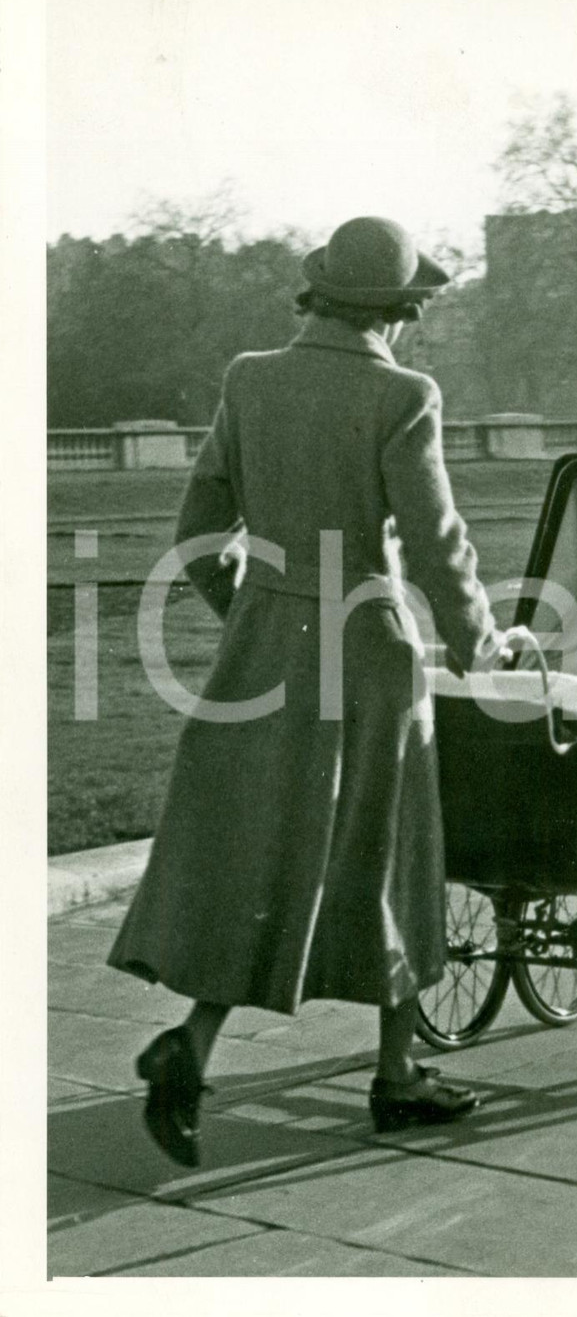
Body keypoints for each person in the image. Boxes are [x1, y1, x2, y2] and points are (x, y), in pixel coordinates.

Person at [108, 217, 509, 1165]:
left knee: (267, 857)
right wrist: (480, 642)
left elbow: (199, 519)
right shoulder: (403, 394)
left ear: (318, 293)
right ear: (400, 313)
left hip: (264, 646)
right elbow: (437, 539)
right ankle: (398, 1073)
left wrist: (249, 605)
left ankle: (191, 1044)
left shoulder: (251, 377)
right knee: (390, 849)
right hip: (367, 646)